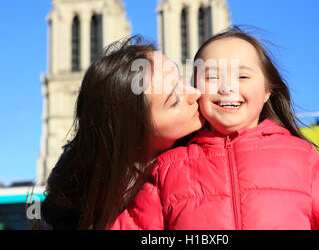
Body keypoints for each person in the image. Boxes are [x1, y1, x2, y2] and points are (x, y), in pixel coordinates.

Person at [110, 27, 319, 230]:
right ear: (194, 90)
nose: (226, 87)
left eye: (242, 76)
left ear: (268, 90)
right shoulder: (167, 169)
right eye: (211, 77)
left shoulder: (298, 156)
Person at [36, 35, 204, 230]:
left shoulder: (218, 145)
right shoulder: (69, 202)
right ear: (134, 129)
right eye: (175, 100)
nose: (195, 93)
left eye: (181, 79)